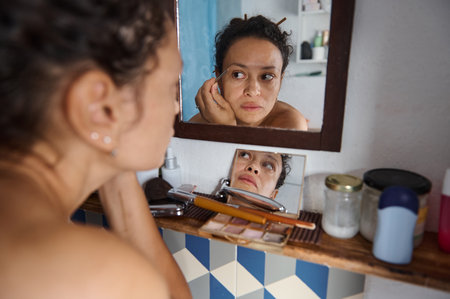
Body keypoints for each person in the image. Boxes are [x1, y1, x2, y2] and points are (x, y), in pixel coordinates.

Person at [0, 1, 191, 298]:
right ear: (100, 106)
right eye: (170, 87)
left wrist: (106, 151)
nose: (177, 108)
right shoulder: (95, 275)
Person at [189, 15, 308, 130]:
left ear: (280, 81)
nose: (252, 91)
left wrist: (227, 130)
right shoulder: (195, 126)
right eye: (238, 75)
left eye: (267, 76)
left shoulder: (290, 124)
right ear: (219, 79)